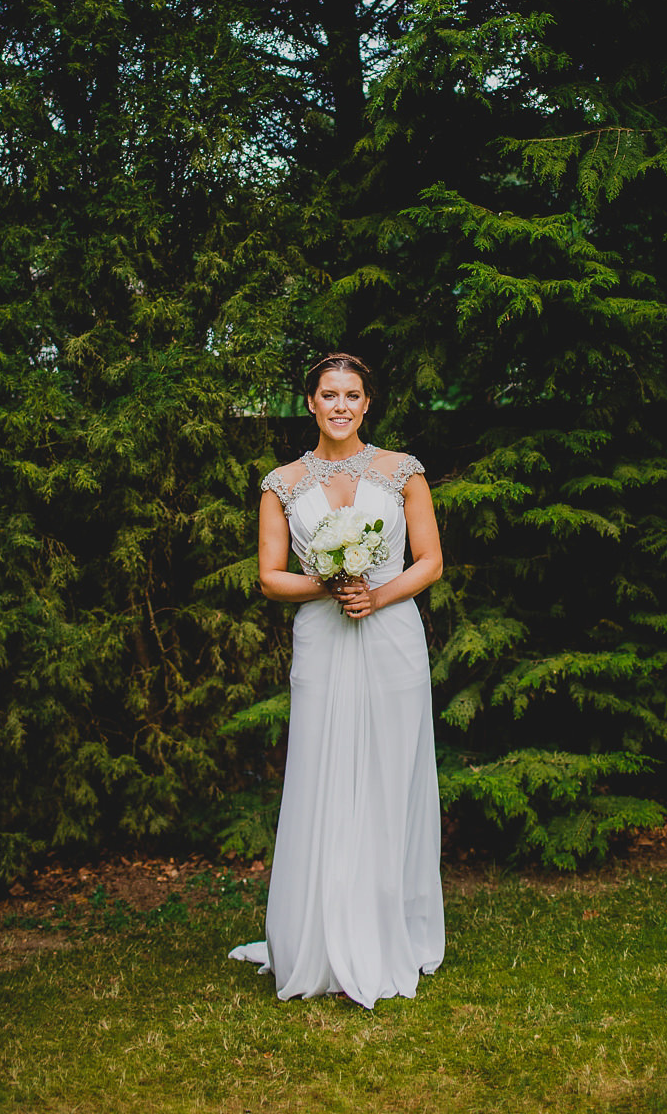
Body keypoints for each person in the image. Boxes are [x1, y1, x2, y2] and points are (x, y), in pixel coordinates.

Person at [228, 352, 445, 1008]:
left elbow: (431, 560)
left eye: (353, 394)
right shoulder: (283, 483)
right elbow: (270, 576)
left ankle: (386, 934)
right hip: (323, 638)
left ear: (368, 403)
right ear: (312, 402)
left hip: (392, 638)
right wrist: (327, 583)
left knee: (388, 775)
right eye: (329, 395)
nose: (342, 405)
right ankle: (320, 935)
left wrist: (376, 597)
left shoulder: (402, 471)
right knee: (323, 772)